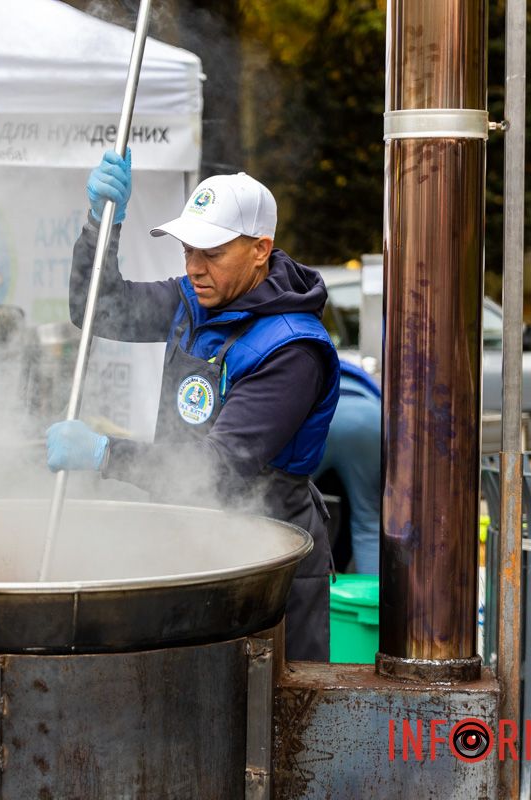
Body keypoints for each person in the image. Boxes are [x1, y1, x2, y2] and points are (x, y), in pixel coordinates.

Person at [46, 150, 340, 661]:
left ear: (260, 249)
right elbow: (99, 308)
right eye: (187, 251)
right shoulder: (193, 302)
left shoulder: (292, 349)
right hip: (189, 538)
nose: (194, 268)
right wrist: (101, 224)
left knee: (268, 700)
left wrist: (105, 453)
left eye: (212, 253)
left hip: (267, 563)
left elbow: (218, 470)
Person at [313, 360, 382, 575]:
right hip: (369, 418)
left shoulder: (309, 359)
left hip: (319, 417)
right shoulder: (358, 374)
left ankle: (291, 588)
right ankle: (372, 593)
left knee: (288, 509)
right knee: (368, 523)